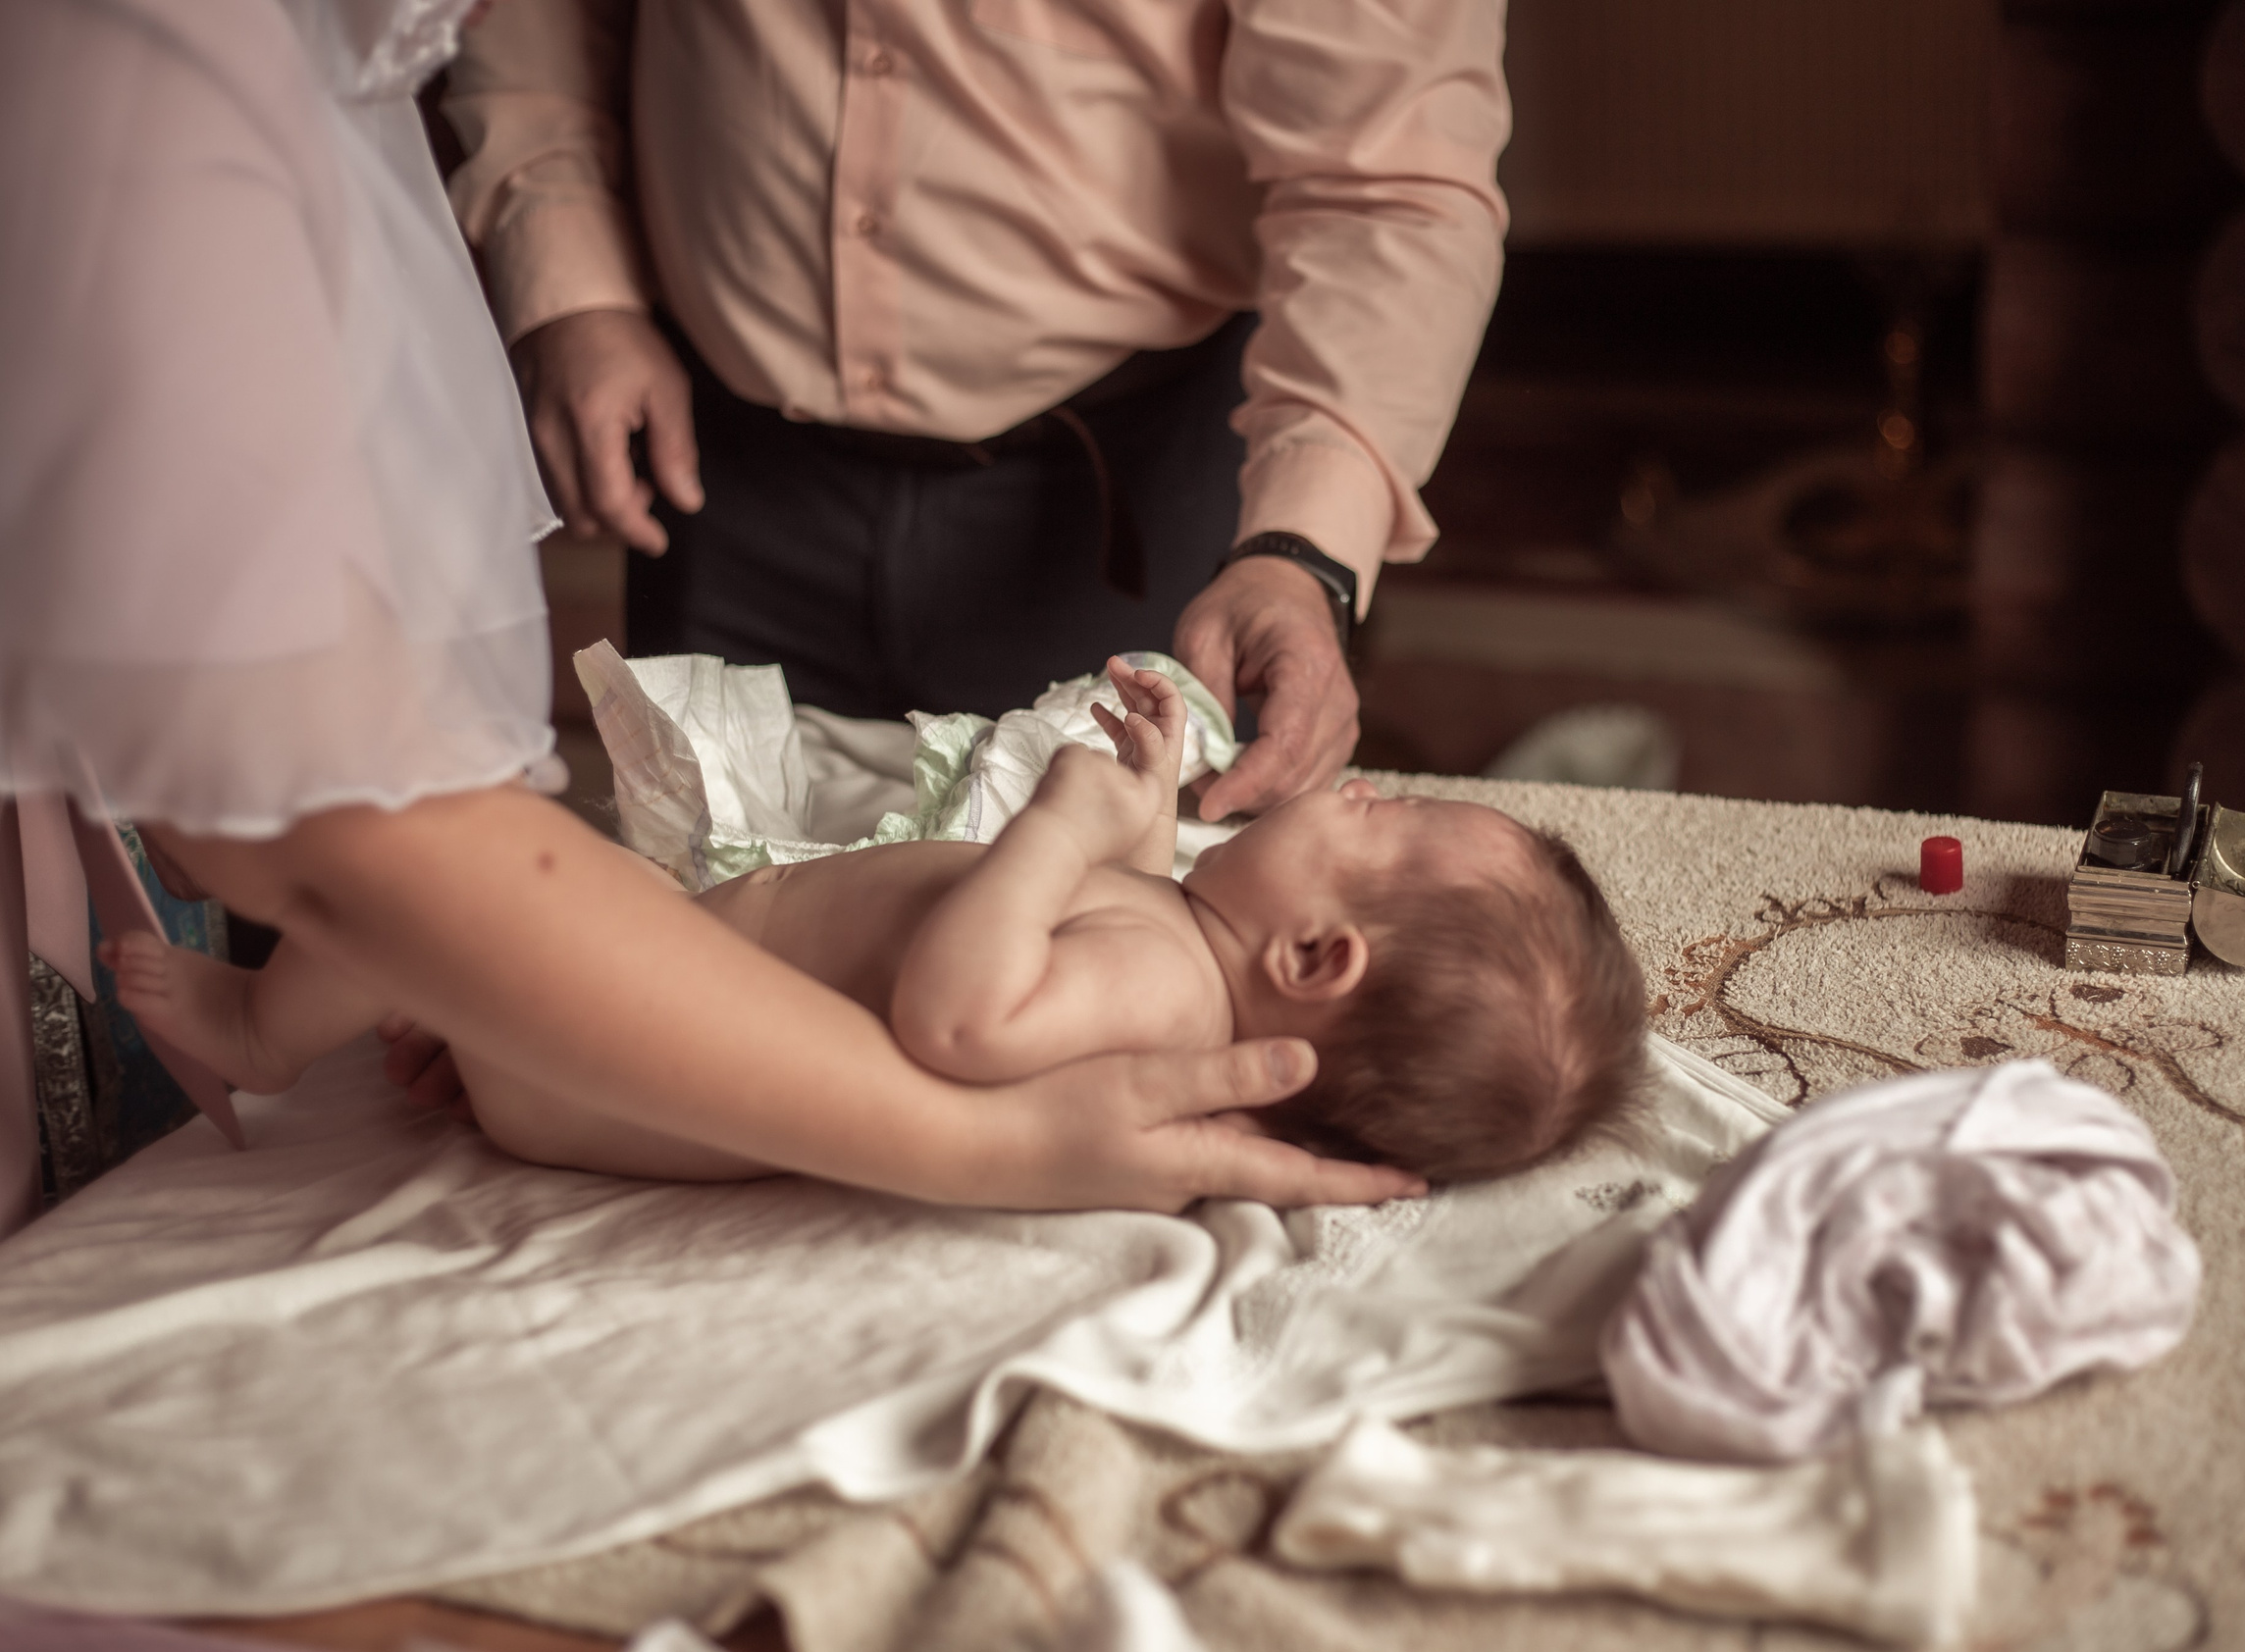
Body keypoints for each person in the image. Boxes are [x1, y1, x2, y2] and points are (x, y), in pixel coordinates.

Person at [0, 0, 1420, 1223]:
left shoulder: (1164, 982)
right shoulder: (161, 87)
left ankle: (289, 1012)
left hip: (1099, 448)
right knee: (438, 860)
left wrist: (514, 958)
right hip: (712, 522)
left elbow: (1390, 165)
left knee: (457, 860)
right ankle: (279, 1014)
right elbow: (335, 830)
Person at [441, 0, 1509, 821]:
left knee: (1110, 966)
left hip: (1131, 487)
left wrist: (1300, 552)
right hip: (718, 461)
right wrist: (570, 284)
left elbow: (1391, 179)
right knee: (707, 930)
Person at [105, 662, 1651, 1184]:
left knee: (417, 897)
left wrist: (1059, 822)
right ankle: (329, 1003)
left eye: (1377, 818)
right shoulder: (1177, 939)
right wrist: (1135, 818)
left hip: (616, 1069)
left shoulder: (1154, 985)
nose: (1361, 785)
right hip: (670, 995)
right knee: (484, 887)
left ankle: (254, 1031)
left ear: (1317, 957)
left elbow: (958, 1016)